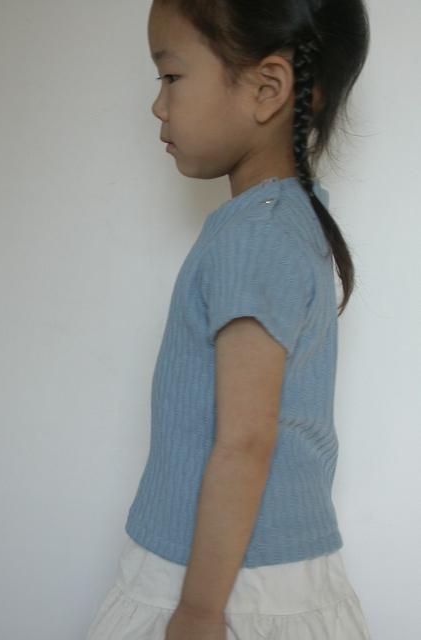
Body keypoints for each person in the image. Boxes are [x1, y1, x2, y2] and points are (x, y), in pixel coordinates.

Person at [86, 1, 373, 638]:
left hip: (223, 581)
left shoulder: (257, 236)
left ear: (267, 88)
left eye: (171, 76)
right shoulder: (283, 222)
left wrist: (198, 609)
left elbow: (244, 439)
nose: (157, 105)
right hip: (250, 570)